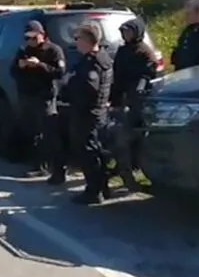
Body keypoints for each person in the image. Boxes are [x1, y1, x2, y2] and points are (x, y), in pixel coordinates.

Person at [10, 20, 67, 181]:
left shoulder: (53, 50)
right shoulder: (24, 50)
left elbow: (60, 72)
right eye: (28, 38)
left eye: (34, 38)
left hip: (45, 97)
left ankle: (56, 167)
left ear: (42, 35)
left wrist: (40, 65)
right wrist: (20, 66)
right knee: (33, 132)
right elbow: (12, 72)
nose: (31, 41)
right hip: (28, 95)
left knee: (49, 132)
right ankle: (38, 165)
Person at [63, 23, 114, 204]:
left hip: (87, 113)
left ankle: (93, 192)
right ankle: (102, 187)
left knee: (88, 153)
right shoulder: (103, 57)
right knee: (97, 151)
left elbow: (90, 88)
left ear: (86, 40)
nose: (76, 42)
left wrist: (70, 82)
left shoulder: (91, 63)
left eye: (78, 38)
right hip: (97, 112)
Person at [110, 18, 157, 191]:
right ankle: (125, 174)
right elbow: (117, 78)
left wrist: (140, 87)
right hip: (123, 100)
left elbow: (149, 73)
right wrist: (113, 100)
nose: (126, 35)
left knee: (136, 140)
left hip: (140, 101)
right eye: (124, 32)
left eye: (129, 31)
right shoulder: (122, 51)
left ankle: (136, 172)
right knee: (121, 139)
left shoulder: (145, 52)